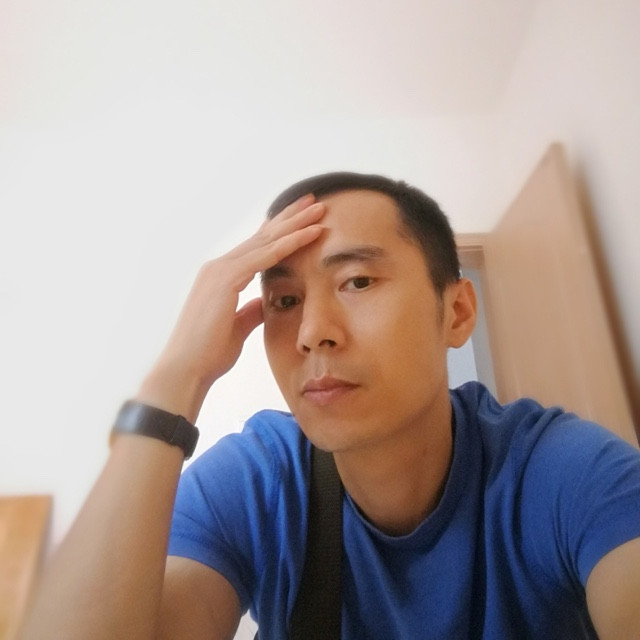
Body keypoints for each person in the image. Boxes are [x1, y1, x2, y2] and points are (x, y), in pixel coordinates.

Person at [18, 172, 640, 639]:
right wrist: (176, 377)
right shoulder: (258, 481)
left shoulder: (560, 472)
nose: (313, 332)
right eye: (285, 301)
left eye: (357, 281)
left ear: (455, 312)